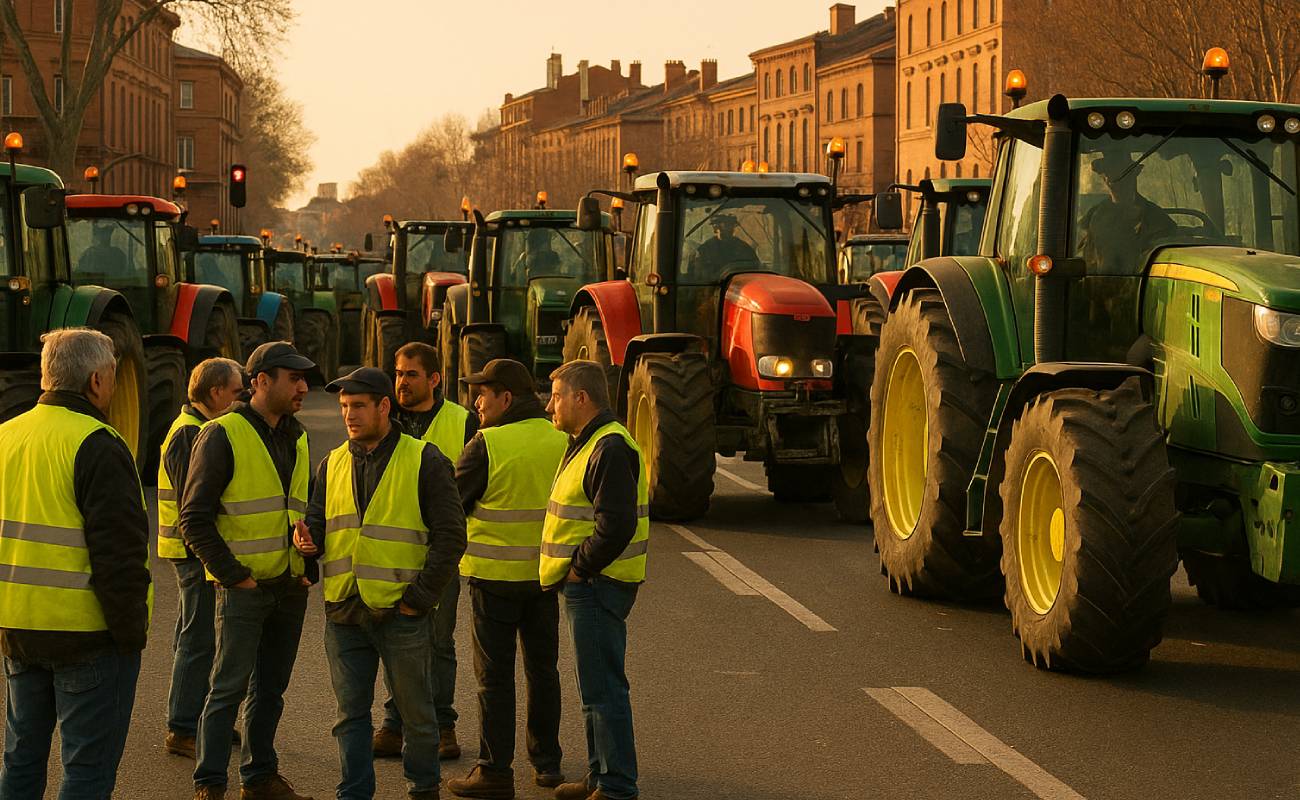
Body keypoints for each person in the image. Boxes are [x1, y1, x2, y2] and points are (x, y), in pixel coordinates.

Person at [298, 367, 467, 800]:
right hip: (344, 610)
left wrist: (419, 599)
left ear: (384, 407)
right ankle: (353, 792)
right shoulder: (332, 462)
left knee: (418, 716)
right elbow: (319, 521)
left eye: (357, 406)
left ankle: (423, 789)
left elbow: (451, 537)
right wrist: (307, 542)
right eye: (343, 408)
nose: (349, 416)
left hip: (401, 612)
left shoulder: (425, 459)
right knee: (350, 715)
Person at [0, 328, 151, 799]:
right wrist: (130, 635)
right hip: (87, 635)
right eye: (110, 375)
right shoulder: (99, 443)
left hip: (18, 629)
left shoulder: (7, 435)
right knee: (87, 768)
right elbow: (120, 556)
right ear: (95, 381)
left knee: (22, 757)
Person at [180, 341, 316, 800]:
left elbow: (302, 509)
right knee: (226, 692)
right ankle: (210, 784)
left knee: (270, 692)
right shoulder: (222, 433)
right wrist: (234, 575)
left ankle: (259, 778)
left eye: (304, 379)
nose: (302, 387)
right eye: (292, 378)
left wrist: (308, 564)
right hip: (244, 589)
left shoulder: (297, 435)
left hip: (288, 586)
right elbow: (193, 517)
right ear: (260, 381)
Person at [446, 360, 569, 799]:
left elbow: (452, 506)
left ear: (507, 398)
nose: (477, 402)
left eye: (483, 393)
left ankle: (495, 770)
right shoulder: (563, 441)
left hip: (493, 579)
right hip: (546, 579)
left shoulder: (487, 444)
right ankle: (548, 764)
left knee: (494, 678)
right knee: (543, 672)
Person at [542, 360, 649, 800]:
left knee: (603, 688)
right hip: (591, 583)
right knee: (593, 687)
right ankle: (598, 774)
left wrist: (580, 567)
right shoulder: (588, 442)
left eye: (556, 396)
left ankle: (616, 785)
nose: (550, 405)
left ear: (580, 398)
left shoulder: (607, 446)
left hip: (598, 584)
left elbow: (617, 523)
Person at [374, 341, 478, 761]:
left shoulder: (462, 422)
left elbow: (475, 484)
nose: (401, 382)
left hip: (440, 554)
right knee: (394, 639)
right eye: (397, 373)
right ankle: (395, 723)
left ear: (434, 379)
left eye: (410, 374)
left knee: (437, 642)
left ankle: (442, 725)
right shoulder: (384, 418)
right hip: (392, 552)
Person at [160, 357, 246, 759]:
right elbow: (191, 505)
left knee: (192, 634)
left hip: (192, 552)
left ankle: (195, 719)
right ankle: (181, 727)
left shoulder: (194, 428)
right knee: (196, 639)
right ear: (215, 393)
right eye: (236, 391)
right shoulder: (190, 433)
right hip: (193, 553)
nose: (240, 398)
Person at [1076, 151, 1177, 274]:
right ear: (1104, 177)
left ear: (1133, 175)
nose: (1110, 176)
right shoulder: (1093, 216)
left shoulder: (1156, 218)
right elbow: (1083, 258)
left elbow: (1166, 264)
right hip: (1098, 287)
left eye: (1120, 172)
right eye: (1107, 171)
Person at [689, 214, 758, 277]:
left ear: (733, 227)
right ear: (714, 228)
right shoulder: (705, 249)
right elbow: (695, 276)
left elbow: (755, 270)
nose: (722, 228)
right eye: (717, 225)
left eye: (727, 224)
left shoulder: (744, 248)